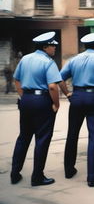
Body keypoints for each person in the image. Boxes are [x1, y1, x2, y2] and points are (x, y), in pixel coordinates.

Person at [59, 32, 94, 187]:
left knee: (72, 134)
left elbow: (59, 78)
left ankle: (69, 170)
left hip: (77, 97)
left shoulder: (74, 59)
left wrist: (67, 93)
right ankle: (92, 178)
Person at [10, 32, 62, 186]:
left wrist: (24, 96)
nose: (54, 49)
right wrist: (56, 104)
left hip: (26, 100)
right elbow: (53, 86)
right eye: (53, 46)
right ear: (45, 47)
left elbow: (17, 80)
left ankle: (14, 173)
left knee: (23, 137)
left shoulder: (25, 58)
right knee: (42, 139)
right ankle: (37, 177)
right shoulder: (48, 62)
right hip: (42, 101)